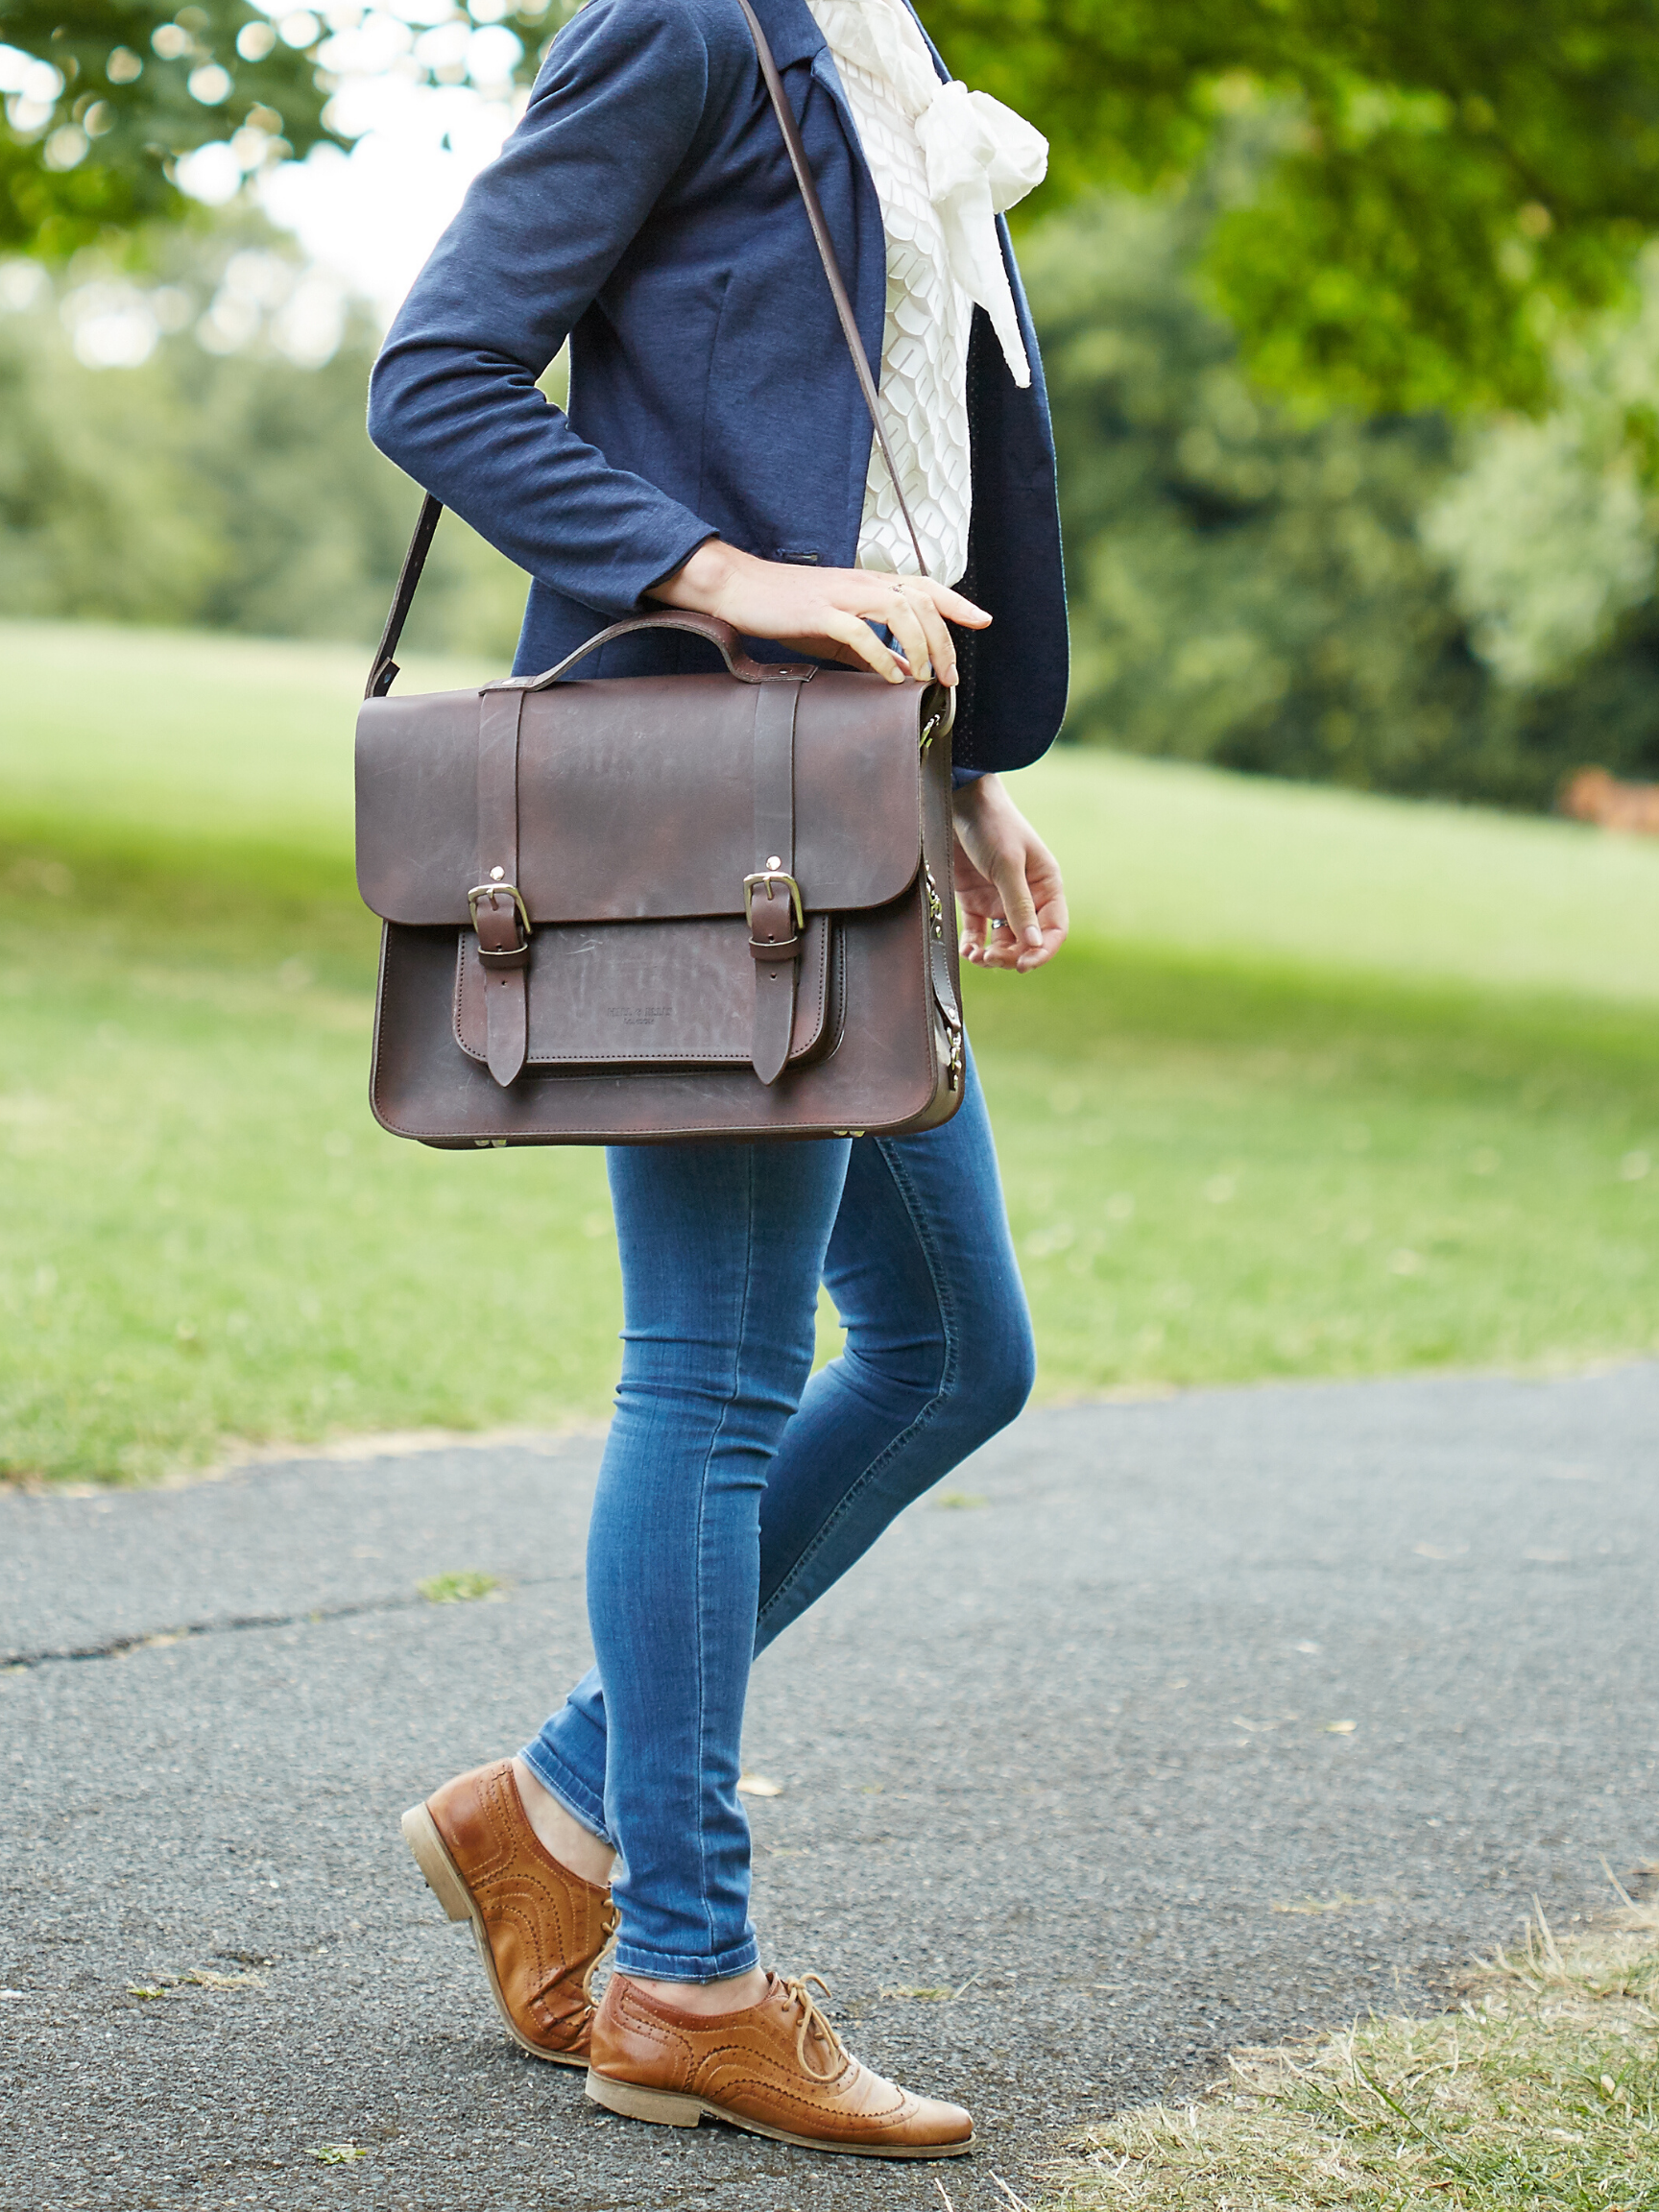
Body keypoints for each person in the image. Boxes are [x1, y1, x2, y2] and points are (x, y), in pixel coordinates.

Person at [369, 0, 1069, 2160]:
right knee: (718, 1369)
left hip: (843, 794)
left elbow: (894, 458)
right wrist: (729, 581)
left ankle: (557, 1804)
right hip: (709, 813)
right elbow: (440, 373)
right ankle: (680, 1968)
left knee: (958, 1351)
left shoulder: (889, 45)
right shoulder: (689, 18)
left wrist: (941, 779)